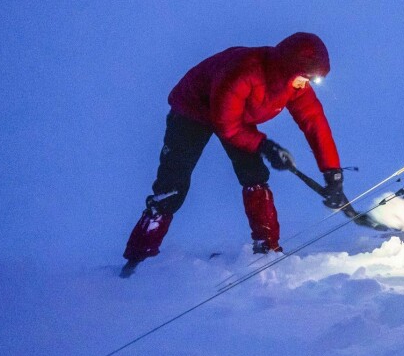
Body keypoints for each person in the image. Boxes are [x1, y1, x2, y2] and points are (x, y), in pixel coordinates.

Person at [122, 32, 347, 268]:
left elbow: (315, 123)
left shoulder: (295, 86)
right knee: (172, 186)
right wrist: (264, 145)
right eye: (304, 77)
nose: (306, 83)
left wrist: (333, 172)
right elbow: (226, 125)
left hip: (236, 117)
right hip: (192, 110)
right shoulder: (244, 73)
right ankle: (139, 258)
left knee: (255, 175)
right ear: (287, 69)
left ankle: (267, 249)